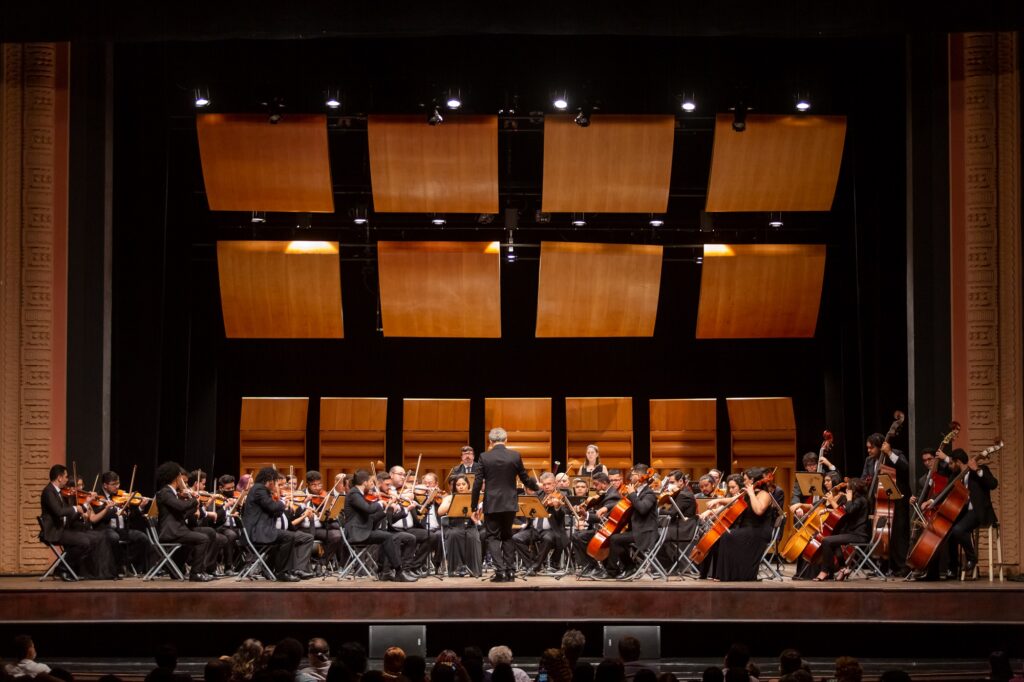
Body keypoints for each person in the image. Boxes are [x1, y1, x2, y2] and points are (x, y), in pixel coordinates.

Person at [471, 427, 539, 582]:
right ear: (506, 440)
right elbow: (525, 479)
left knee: (492, 537)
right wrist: (536, 486)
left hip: (492, 503)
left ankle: (500, 571)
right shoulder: (514, 456)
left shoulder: (484, 457)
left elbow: (477, 483)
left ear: (490, 441)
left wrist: (474, 505)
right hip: (509, 503)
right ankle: (510, 572)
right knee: (507, 535)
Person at [923, 447, 998, 579]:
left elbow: (993, 484)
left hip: (978, 511)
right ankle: (953, 568)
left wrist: (977, 470)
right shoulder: (957, 476)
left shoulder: (981, 470)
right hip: (965, 513)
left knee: (958, 529)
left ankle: (971, 558)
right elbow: (945, 490)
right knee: (949, 530)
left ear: (958, 462)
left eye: (952, 463)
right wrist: (931, 500)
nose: (950, 466)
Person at [40, 464, 117, 580]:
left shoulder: (59, 492)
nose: (67, 479)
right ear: (59, 477)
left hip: (63, 529)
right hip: (54, 531)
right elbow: (59, 512)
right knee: (84, 541)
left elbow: (72, 513)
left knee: (93, 538)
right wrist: (76, 509)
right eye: (65, 477)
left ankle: (88, 571)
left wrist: (86, 504)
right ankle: (62, 568)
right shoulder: (48, 492)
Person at [241, 466, 315, 582]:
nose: (275, 484)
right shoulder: (259, 490)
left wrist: (281, 505)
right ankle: (281, 572)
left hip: (261, 530)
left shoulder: (258, 489)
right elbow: (272, 507)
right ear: (269, 480)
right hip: (257, 532)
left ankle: (278, 569)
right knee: (289, 537)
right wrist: (282, 504)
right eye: (275, 481)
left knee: (286, 537)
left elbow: (275, 512)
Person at [343, 470, 417, 582]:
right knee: (387, 537)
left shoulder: (359, 494)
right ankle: (396, 572)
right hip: (357, 533)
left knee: (386, 536)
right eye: (370, 482)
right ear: (364, 483)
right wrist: (379, 503)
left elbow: (371, 518)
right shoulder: (354, 494)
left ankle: (388, 571)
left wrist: (386, 508)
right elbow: (368, 509)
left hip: (362, 530)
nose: (371, 485)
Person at [154, 461, 216, 582]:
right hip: (171, 531)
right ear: (176, 477)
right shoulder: (165, 492)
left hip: (177, 529)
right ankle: (195, 573)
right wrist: (193, 500)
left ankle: (176, 569)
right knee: (203, 539)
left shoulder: (171, 492)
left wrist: (194, 502)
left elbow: (182, 513)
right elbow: (180, 507)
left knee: (197, 538)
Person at [711, 468, 775, 581]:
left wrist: (751, 493)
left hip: (758, 530)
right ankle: (730, 574)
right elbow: (733, 500)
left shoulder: (764, 494)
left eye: (745, 479)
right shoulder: (747, 493)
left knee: (729, 536)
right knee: (725, 535)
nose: (743, 482)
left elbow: (758, 510)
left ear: (752, 480)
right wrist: (718, 501)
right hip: (747, 529)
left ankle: (735, 574)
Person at [863, 432, 911, 575]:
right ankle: (881, 566)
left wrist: (889, 453)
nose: (869, 451)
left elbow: (905, 467)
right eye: (868, 448)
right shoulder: (869, 461)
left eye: (871, 448)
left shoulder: (895, 453)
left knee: (898, 534)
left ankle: (902, 567)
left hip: (897, 501)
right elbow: (864, 477)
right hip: (879, 502)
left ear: (880, 447)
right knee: (880, 533)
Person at [87, 470, 150, 575]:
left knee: (142, 537)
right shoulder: (98, 498)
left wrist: (140, 507)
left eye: (118, 483)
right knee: (114, 537)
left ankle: (126, 563)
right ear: (105, 485)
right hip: (105, 529)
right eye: (114, 484)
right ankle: (119, 566)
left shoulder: (120, 497)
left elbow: (130, 516)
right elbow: (99, 515)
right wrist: (114, 510)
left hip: (121, 529)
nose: (117, 486)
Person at [812, 478, 870, 581]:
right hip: (852, 533)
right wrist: (827, 509)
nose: (846, 491)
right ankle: (843, 568)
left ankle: (825, 571)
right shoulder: (856, 500)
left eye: (848, 489)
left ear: (853, 489)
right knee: (832, 539)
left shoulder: (861, 500)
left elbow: (849, 511)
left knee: (826, 540)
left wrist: (848, 499)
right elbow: (843, 512)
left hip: (859, 535)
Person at [606, 465, 658, 578]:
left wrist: (632, 494)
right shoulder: (637, 492)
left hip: (645, 533)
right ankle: (629, 566)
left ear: (640, 475)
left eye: (633, 474)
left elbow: (642, 509)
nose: (630, 477)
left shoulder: (649, 494)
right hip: (637, 531)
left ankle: (613, 571)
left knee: (615, 539)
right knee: (616, 537)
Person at [513, 472, 567, 576]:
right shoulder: (537, 495)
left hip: (551, 530)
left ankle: (536, 566)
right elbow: (529, 512)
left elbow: (563, 515)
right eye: (544, 484)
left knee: (548, 539)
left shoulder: (561, 496)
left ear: (555, 483)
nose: (546, 487)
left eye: (549, 484)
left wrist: (557, 507)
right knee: (516, 538)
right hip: (534, 529)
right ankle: (531, 565)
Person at [572, 472, 621, 577]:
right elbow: (598, 514)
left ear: (603, 483)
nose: (594, 487)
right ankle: (591, 566)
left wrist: (587, 515)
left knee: (580, 537)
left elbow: (603, 516)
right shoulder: (605, 493)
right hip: (602, 529)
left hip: (608, 531)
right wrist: (586, 514)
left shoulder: (612, 495)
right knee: (576, 535)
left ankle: (593, 567)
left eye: (596, 484)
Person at [439, 475, 483, 577]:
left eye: (463, 484)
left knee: (473, 536)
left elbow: (480, 515)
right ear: (455, 487)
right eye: (458, 485)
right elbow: (440, 512)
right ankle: (456, 569)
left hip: (471, 525)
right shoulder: (449, 497)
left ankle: (474, 569)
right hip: (454, 526)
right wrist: (453, 502)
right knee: (454, 534)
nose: (461, 487)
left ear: (468, 485)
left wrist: (477, 514)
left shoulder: (474, 497)